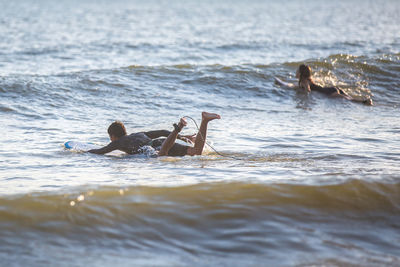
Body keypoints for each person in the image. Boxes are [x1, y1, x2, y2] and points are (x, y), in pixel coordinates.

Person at [88, 112, 221, 156]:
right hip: (163, 140)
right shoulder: (138, 134)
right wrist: (181, 138)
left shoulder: (118, 142)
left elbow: (101, 151)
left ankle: (179, 126)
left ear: (113, 136)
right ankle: (205, 120)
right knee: (196, 151)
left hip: (157, 147)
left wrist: (84, 152)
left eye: (110, 137)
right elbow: (162, 132)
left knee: (160, 156)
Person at [275, 64, 373, 105]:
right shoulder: (309, 80)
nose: (295, 72)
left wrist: (305, 94)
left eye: (297, 71)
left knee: (349, 99)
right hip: (331, 89)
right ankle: (364, 101)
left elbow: (308, 90)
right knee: (348, 97)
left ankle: (363, 102)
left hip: (329, 92)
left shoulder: (304, 82)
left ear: (300, 73)